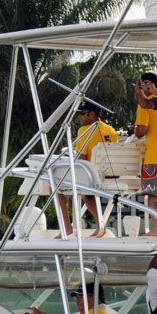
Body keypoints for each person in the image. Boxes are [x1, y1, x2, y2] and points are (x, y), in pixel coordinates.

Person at [57, 101, 117, 237]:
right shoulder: (111, 130)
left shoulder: (85, 130)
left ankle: (67, 227)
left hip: (93, 176)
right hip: (111, 174)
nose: (80, 117)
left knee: (54, 184)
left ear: (92, 115)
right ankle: (100, 225)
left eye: (82, 113)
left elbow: (81, 159)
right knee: (85, 194)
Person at [134, 72, 157, 235]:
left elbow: (141, 130)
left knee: (153, 194)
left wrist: (134, 129)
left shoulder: (145, 105)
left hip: (154, 155)